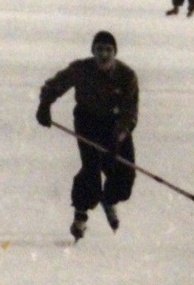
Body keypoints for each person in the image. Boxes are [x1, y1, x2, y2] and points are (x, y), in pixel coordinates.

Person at [36, 31, 139, 241]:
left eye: (108, 50)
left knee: (124, 177)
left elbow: (130, 112)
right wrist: (45, 105)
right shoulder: (81, 69)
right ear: (92, 51)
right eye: (99, 49)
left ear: (115, 53)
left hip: (115, 125)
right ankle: (80, 216)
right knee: (91, 171)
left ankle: (108, 199)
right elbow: (55, 85)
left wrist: (118, 137)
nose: (103, 54)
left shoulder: (127, 76)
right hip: (88, 123)